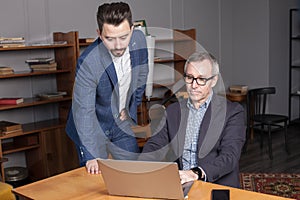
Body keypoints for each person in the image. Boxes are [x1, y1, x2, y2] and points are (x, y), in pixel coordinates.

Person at [140, 52, 246, 188]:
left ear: (214, 80)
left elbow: (229, 157)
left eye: (201, 79)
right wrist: (139, 167)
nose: (194, 85)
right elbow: (155, 146)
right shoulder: (173, 111)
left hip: (216, 185)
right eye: (190, 78)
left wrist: (196, 173)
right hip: (181, 184)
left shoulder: (232, 112)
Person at [66, 2, 149, 174]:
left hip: (120, 122)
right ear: (99, 34)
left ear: (132, 30)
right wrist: (91, 155)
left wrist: (130, 108)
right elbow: (84, 111)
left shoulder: (139, 40)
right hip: (93, 126)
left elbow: (141, 75)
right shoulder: (89, 62)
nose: (118, 46)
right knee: (98, 179)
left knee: (135, 173)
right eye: (110, 39)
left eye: (123, 37)